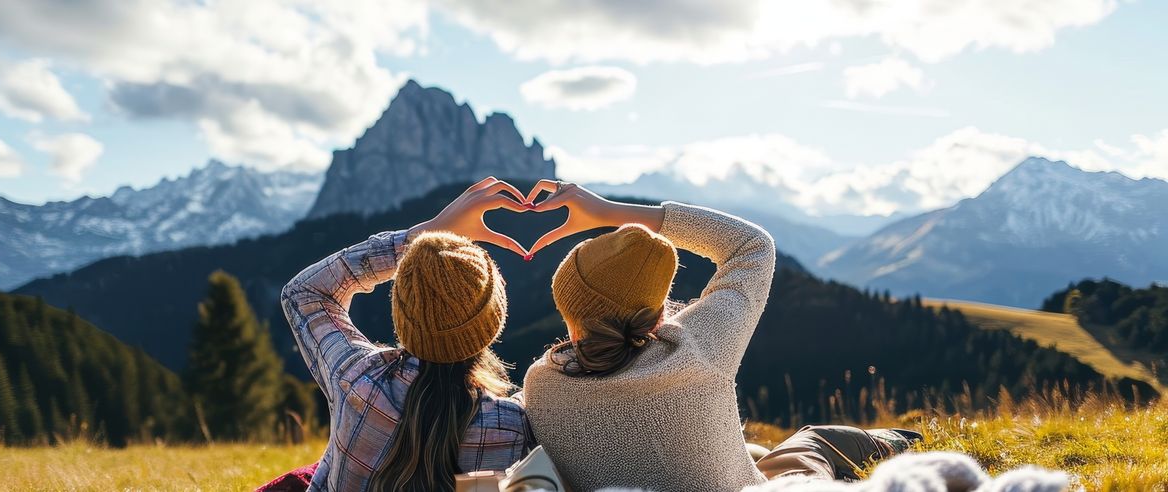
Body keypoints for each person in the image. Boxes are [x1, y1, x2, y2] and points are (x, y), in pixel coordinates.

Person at [519, 180, 917, 492]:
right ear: (658, 309)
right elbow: (752, 246)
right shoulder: (696, 345)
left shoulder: (541, 383)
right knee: (811, 440)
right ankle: (906, 441)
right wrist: (608, 210)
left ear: (568, 310)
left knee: (756, 452)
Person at [276, 177, 535, 492]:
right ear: (494, 321)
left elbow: (303, 293)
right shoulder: (513, 427)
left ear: (401, 312)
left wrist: (419, 235)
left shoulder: (357, 379)